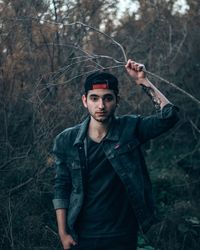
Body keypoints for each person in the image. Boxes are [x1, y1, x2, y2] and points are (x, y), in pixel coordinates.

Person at [52, 59, 179, 250]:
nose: (101, 105)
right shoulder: (66, 140)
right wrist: (63, 233)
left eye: (108, 98)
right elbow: (61, 187)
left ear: (117, 100)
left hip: (123, 235)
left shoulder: (131, 128)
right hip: (82, 235)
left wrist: (143, 81)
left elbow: (169, 116)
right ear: (85, 101)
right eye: (94, 98)